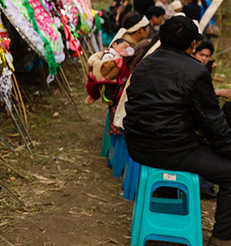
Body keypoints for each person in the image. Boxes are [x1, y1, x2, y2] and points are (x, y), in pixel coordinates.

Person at [123, 16, 231, 246]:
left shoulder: (144, 63)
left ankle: (166, 205)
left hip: (136, 146)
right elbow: (213, 123)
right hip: (172, 151)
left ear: (160, 38)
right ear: (194, 44)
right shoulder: (196, 71)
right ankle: (222, 239)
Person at [85, 38, 134, 105]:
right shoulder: (109, 55)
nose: (125, 50)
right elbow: (106, 67)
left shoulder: (120, 57)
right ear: (114, 45)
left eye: (128, 49)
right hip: (109, 86)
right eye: (124, 47)